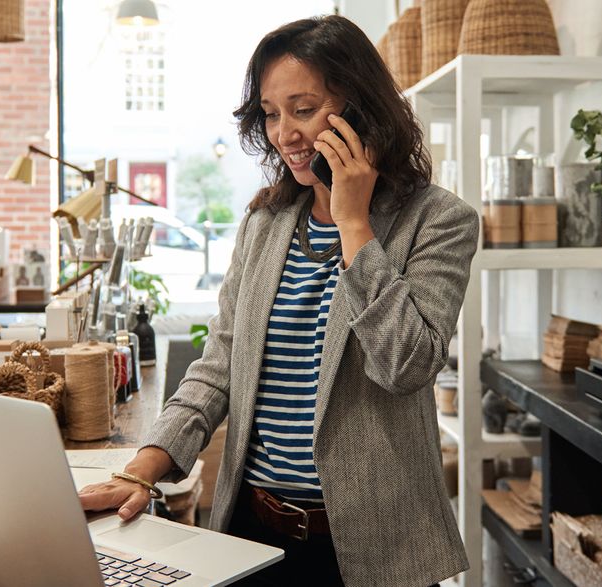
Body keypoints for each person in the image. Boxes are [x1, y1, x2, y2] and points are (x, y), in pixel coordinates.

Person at [78, 14, 478, 587]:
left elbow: (407, 366)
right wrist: (143, 469)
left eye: (304, 108)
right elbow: (219, 366)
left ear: (359, 109)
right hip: (252, 533)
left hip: (374, 550)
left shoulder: (438, 221)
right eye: (270, 112)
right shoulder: (266, 223)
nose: (284, 132)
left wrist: (353, 225)